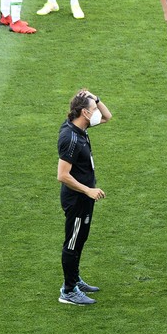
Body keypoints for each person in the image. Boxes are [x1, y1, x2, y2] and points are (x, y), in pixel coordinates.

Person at [57, 89, 112, 305]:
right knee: (72, 242)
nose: (98, 111)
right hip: (77, 199)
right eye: (93, 109)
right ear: (84, 113)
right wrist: (88, 190)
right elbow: (62, 175)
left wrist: (96, 98)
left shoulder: (81, 125)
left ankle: (74, 278)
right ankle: (68, 291)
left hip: (85, 197)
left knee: (80, 239)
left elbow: (108, 117)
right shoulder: (69, 138)